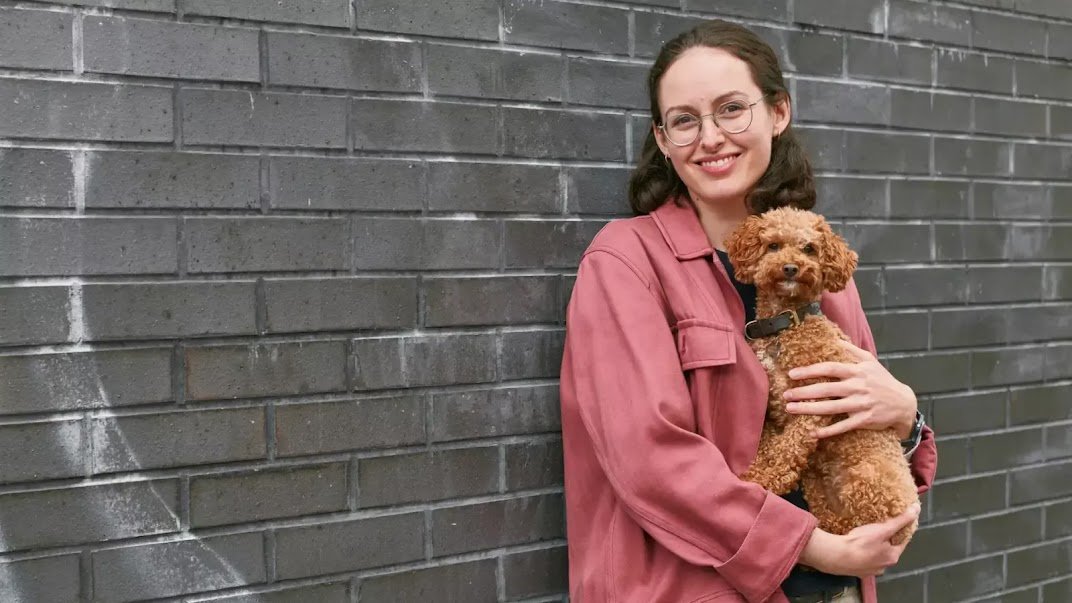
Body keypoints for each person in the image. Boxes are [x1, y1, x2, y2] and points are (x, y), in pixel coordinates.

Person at [559, 19, 937, 603]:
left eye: (732, 109)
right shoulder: (627, 261)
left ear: (778, 113)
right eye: (685, 120)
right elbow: (650, 459)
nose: (710, 137)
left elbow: (860, 434)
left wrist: (906, 416)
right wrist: (813, 545)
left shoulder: (824, 277)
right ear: (663, 140)